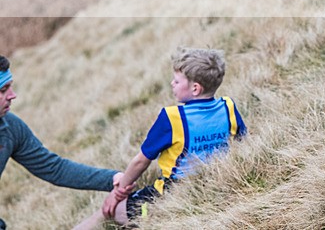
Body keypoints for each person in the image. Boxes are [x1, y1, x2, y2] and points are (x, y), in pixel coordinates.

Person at [73, 47, 246, 229]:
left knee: (111, 211)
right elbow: (242, 142)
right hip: (217, 183)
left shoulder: (172, 118)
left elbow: (141, 161)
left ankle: (151, 220)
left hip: (174, 193)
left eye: (177, 81)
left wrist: (116, 194)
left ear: (195, 88)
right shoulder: (228, 107)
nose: (172, 83)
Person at [0, 55, 124, 229]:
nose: (12, 96)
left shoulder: (11, 128)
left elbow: (54, 168)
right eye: (3, 89)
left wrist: (112, 179)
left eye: (10, 87)